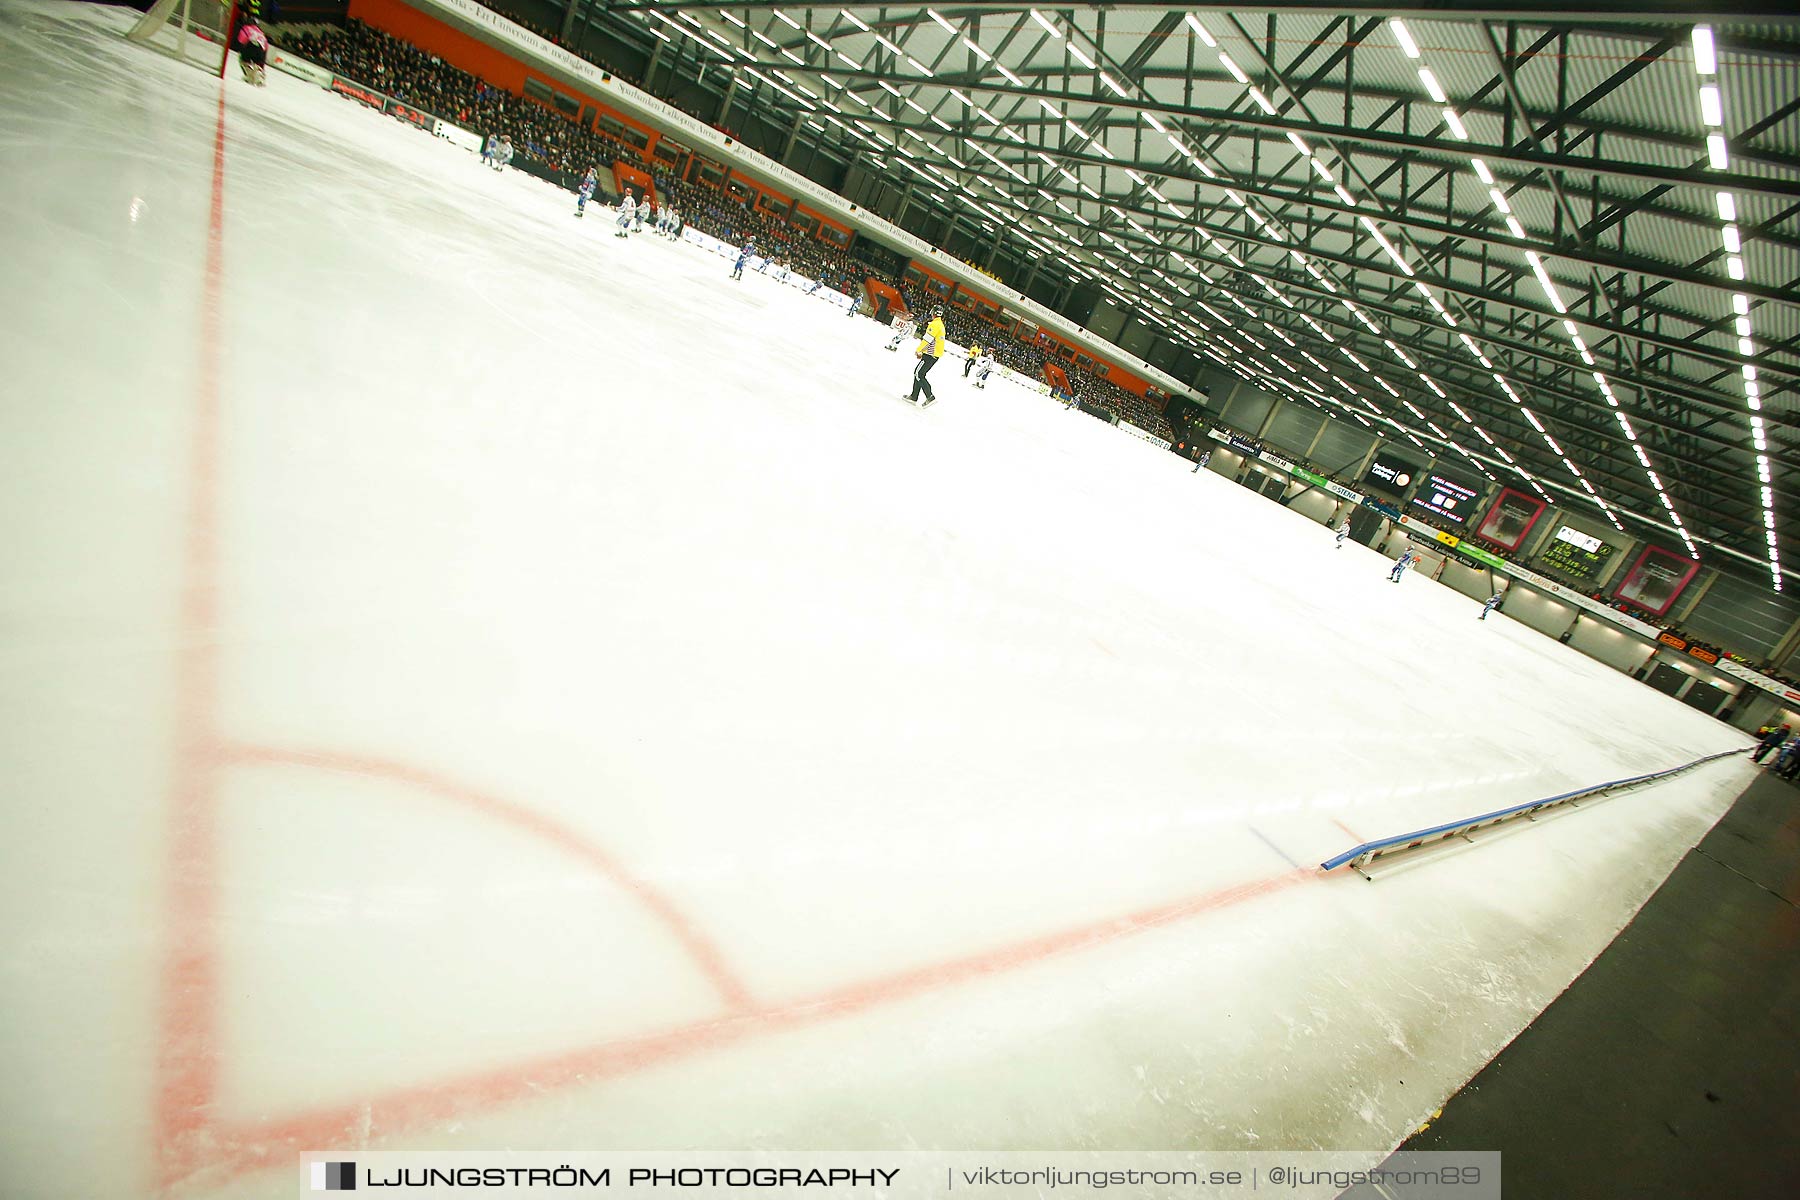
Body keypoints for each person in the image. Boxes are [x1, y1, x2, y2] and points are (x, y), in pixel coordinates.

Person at [908, 306, 947, 407]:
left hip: (931, 354)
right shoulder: (940, 325)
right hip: (933, 354)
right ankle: (914, 396)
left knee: (919, 373)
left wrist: (919, 350)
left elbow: (927, 340)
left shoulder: (934, 325)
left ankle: (929, 396)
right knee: (920, 373)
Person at [234, 16, 269, 86]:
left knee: (244, 61)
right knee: (258, 64)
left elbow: (241, 40)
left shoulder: (245, 28)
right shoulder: (261, 33)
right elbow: (266, 46)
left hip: (250, 46)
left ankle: (249, 75)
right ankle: (260, 78)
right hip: (261, 49)